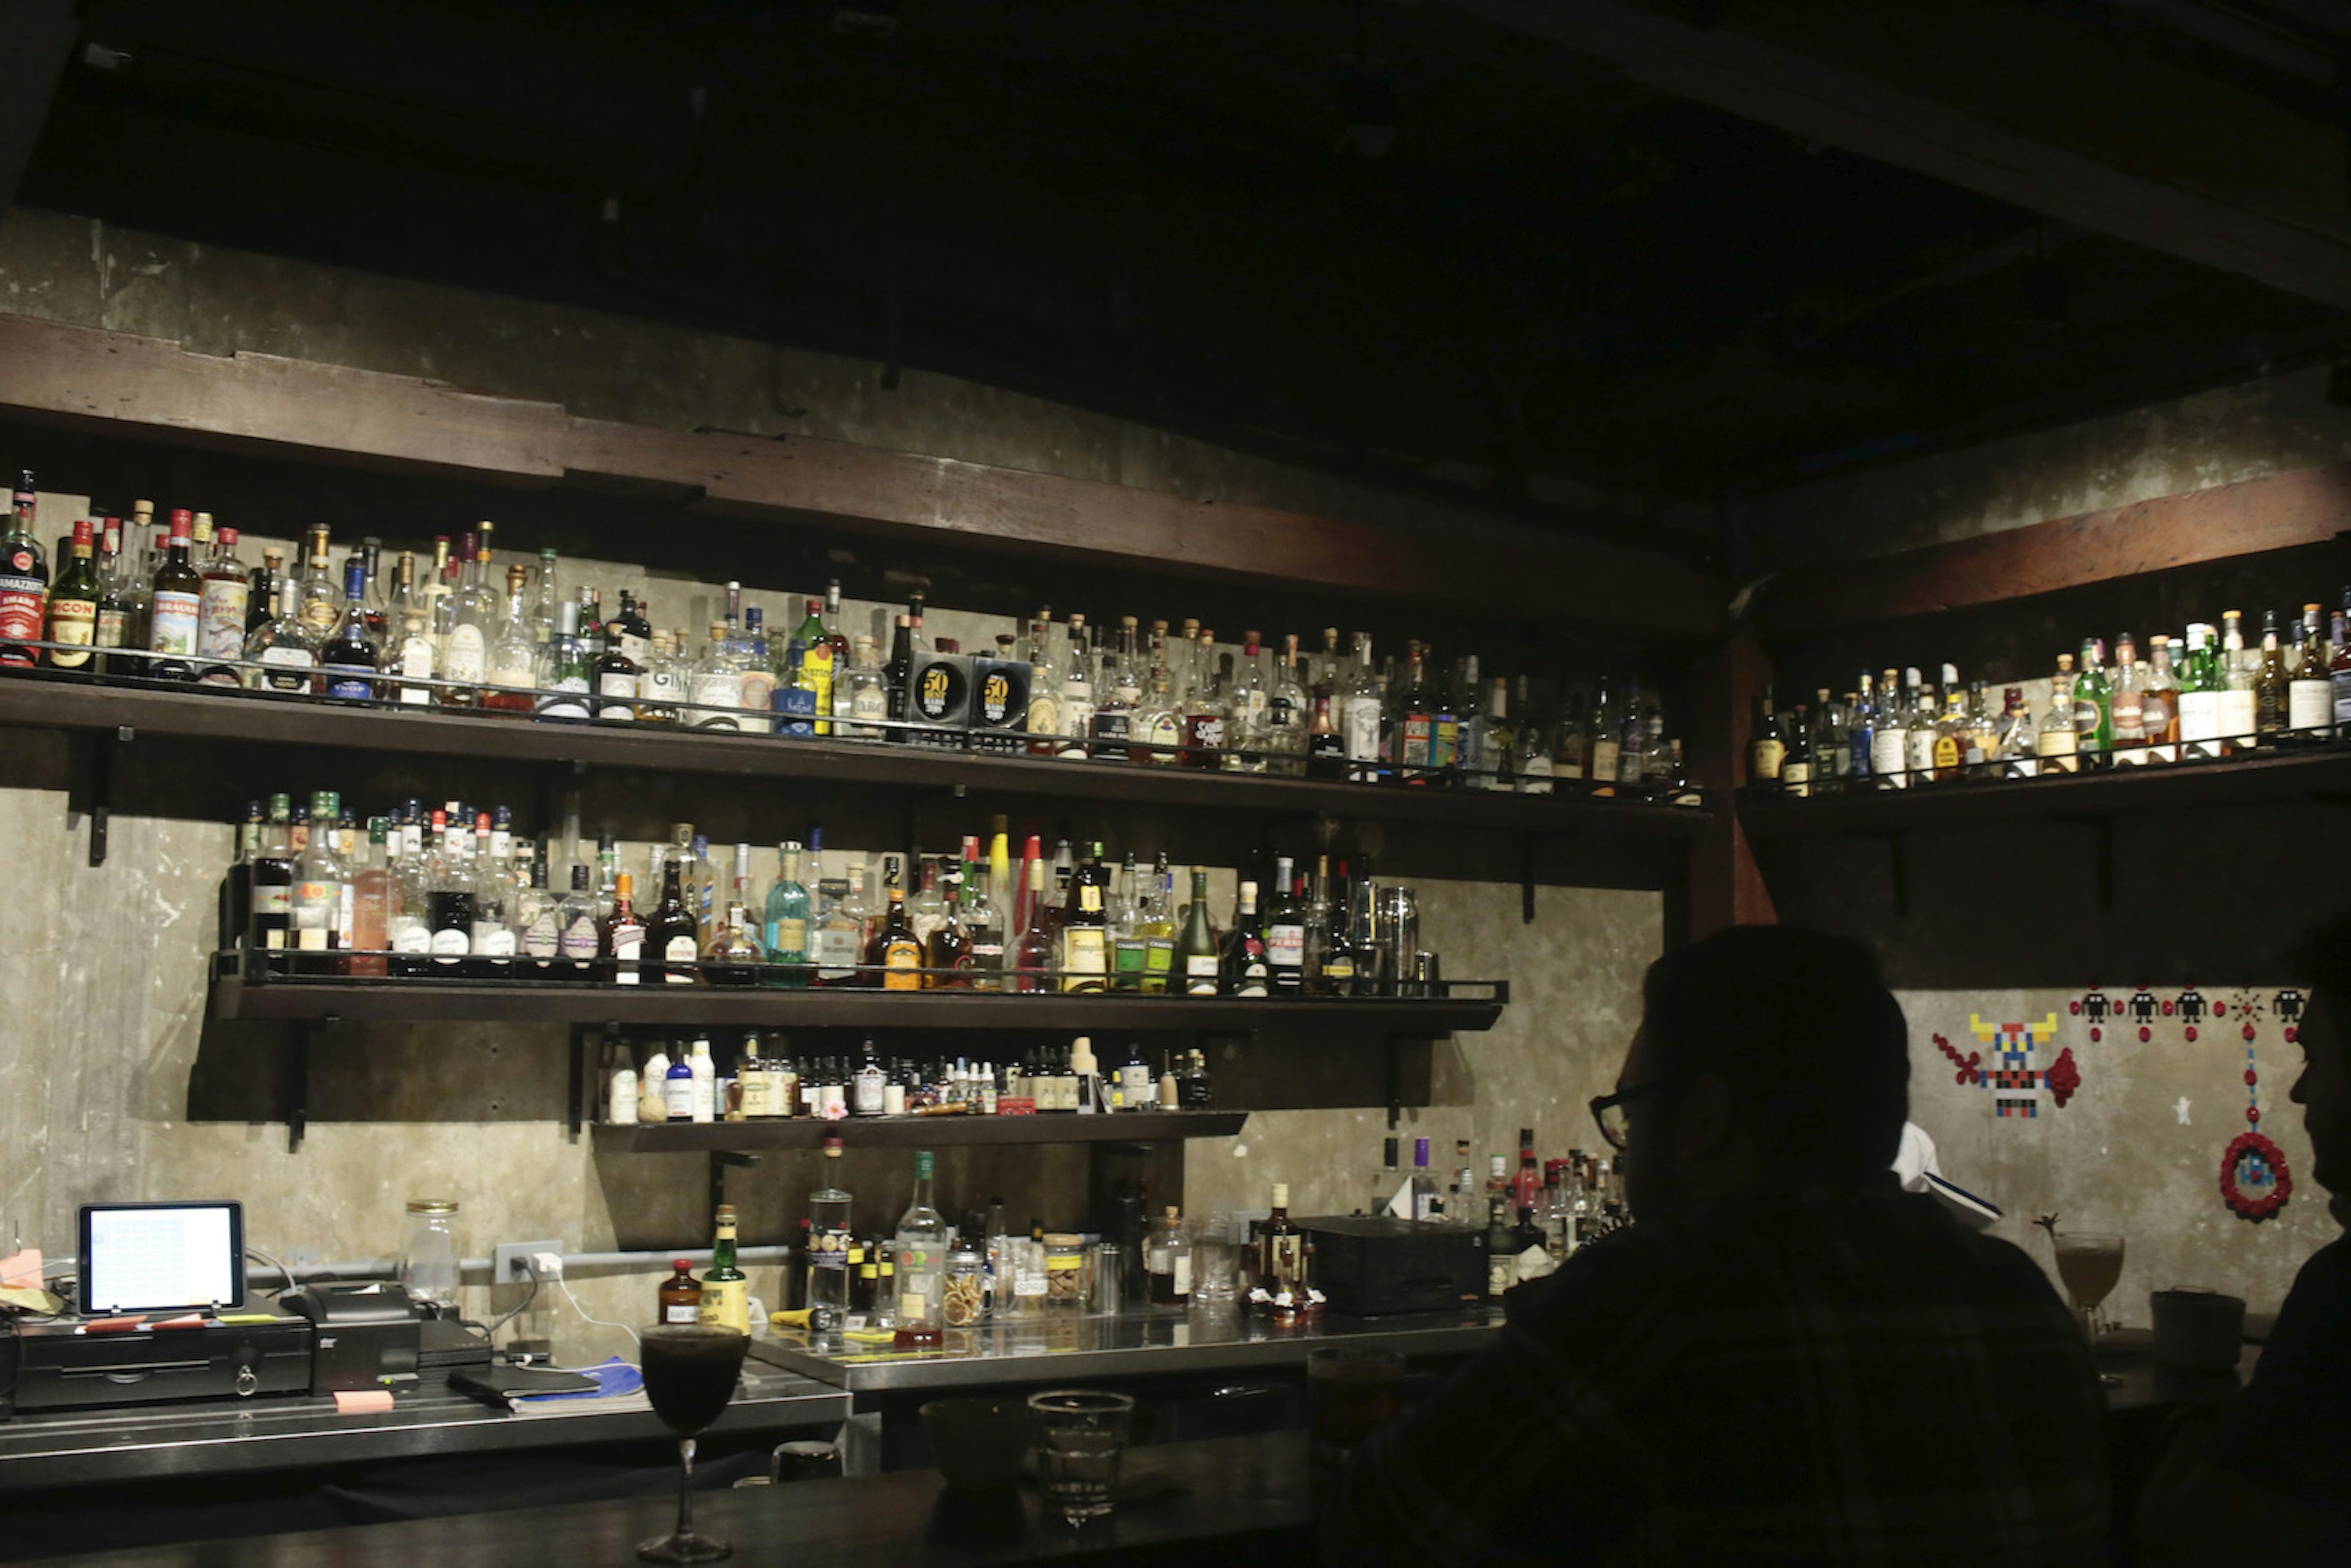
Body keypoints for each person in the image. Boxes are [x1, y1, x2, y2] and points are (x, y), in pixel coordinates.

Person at [1322, 925, 2109, 1566]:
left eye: (1631, 1110)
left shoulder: (1662, 1295)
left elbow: (1390, 1524)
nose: (1626, 1145)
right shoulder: (2018, 1293)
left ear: (1704, 1118)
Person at [2136, 918, 2351, 1566]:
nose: (2298, 1089)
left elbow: (2201, 1540)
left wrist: (2201, 1435)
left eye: (2316, 1056)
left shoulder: (2340, 1296)